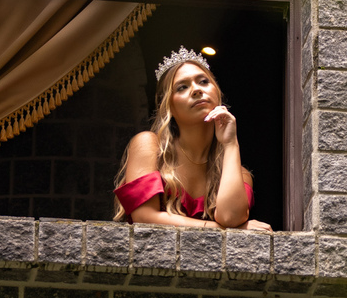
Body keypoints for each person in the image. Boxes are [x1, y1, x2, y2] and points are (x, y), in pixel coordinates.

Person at [113, 47, 271, 231]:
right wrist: (223, 229)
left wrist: (230, 144)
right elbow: (144, 217)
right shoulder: (149, 145)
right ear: (168, 105)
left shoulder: (238, 173)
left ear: (217, 92)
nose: (196, 90)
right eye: (182, 87)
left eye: (203, 81)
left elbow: (230, 217)